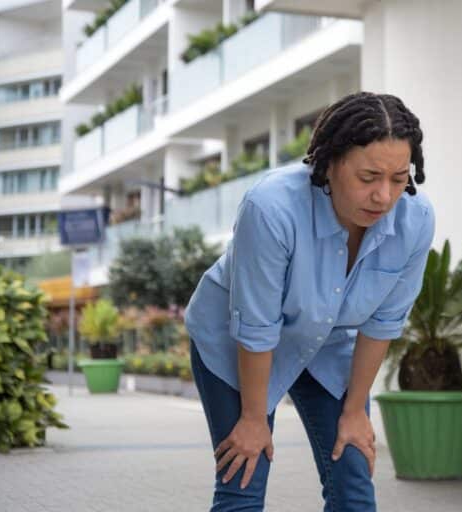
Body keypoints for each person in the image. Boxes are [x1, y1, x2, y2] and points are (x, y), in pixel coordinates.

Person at [184, 91, 434, 511]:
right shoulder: (271, 208)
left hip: (329, 343)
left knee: (354, 478)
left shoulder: (415, 219)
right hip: (236, 340)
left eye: (398, 178)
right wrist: (253, 418)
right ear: (329, 163)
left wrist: (355, 411)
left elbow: (383, 324)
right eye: (368, 177)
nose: (384, 197)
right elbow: (257, 327)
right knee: (244, 479)